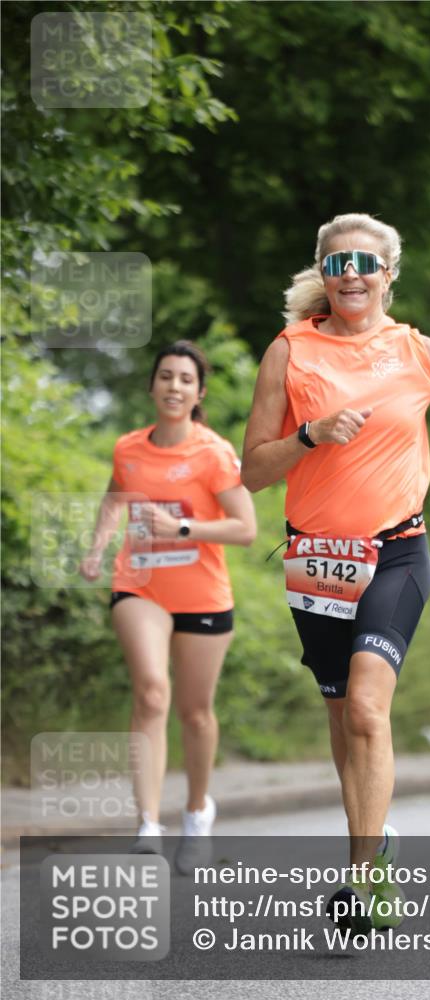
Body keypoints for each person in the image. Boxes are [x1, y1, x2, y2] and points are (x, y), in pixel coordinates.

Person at [241, 213, 430, 931]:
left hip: (396, 551)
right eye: (339, 261)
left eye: (366, 263)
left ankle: (362, 878)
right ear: (324, 272)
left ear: (388, 274)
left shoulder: (423, 353)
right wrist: (310, 436)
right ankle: (373, 844)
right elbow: (252, 470)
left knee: (369, 708)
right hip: (317, 560)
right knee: (343, 714)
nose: (352, 273)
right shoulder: (289, 352)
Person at [79, 340, 257, 870]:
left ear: (198, 393)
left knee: (195, 712)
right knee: (152, 693)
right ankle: (148, 824)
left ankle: (198, 811)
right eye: (165, 377)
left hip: (202, 594)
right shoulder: (128, 448)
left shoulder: (214, 452)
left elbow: (246, 529)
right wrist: (96, 546)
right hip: (142, 585)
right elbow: (116, 497)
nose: (174, 386)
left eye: (185, 379)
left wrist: (182, 526)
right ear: (152, 385)